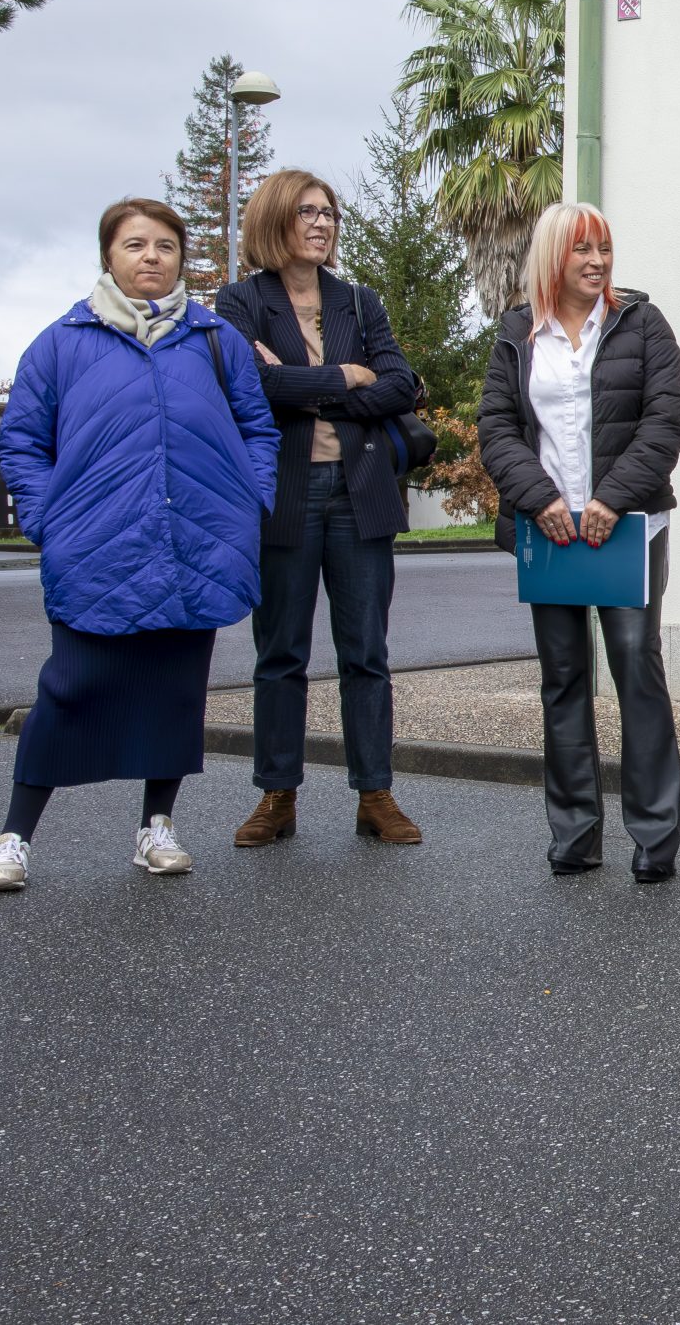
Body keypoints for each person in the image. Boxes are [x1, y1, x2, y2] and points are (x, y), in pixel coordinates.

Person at [0, 199, 279, 892]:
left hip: (195, 544)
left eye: (165, 245)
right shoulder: (61, 341)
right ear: (108, 256)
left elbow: (259, 430)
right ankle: (14, 835)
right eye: (135, 244)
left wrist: (248, 502)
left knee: (175, 693)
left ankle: (157, 825)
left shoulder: (215, 340)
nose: (151, 256)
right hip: (95, 546)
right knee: (70, 688)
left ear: (181, 258)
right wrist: (52, 520)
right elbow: (22, 440)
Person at [478, 203, 680, 882]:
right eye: (581, 250)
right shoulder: (517, 333)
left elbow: (665, 421)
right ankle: (574, 832)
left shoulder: (643, 323)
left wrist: (610, 498)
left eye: (604, 248)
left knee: (636, 666)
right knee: (563, 676)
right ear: (551, 258)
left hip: (626, 527)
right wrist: (540, 498)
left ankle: (655, 834)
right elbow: (497, 429)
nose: (597, 261)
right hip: (550, 533)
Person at [216, 170, 424, 850]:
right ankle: (278, 794)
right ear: (275, 218)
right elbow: (248, 385)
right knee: (281, 652)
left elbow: (400, 384)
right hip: (284, 493)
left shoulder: (359, 303)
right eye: (307, 210)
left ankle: (375, 792)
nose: (322, 222)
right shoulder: (241, 301)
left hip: (360, 491)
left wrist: (306, 388)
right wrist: (343, 376)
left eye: (329, 212)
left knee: (366, 651)